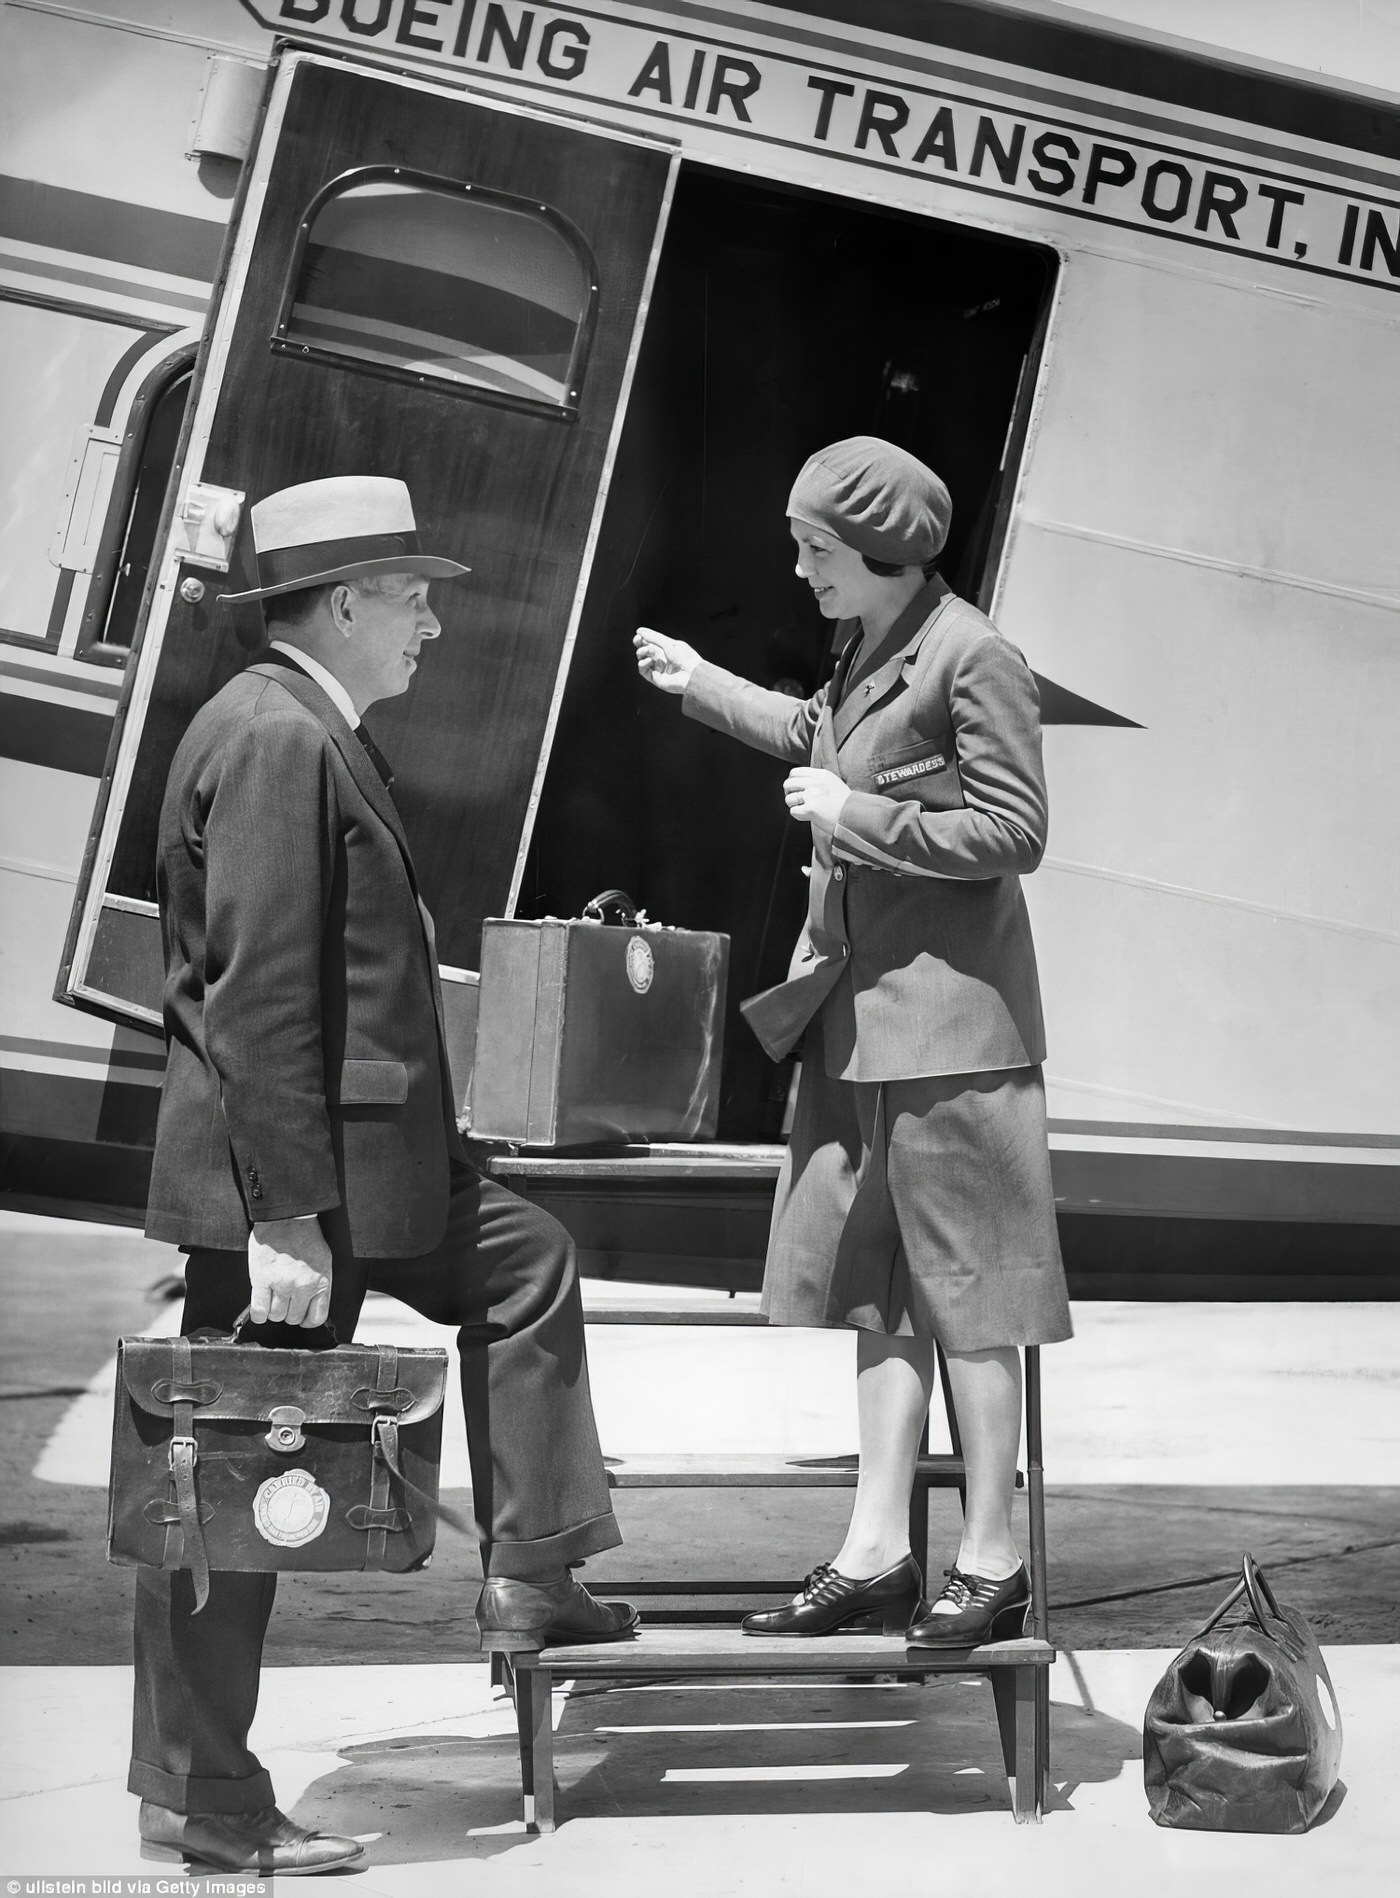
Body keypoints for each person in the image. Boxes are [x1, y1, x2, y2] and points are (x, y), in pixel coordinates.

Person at [133, 475, 635, 1876]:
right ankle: (208, 1802)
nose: (430, 620)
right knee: (234, 1491)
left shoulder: (307, 728)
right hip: (298, 1196)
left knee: (525, 1256)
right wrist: (284, 1212)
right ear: (343, 602)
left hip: (374, 1178)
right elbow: (263, 999)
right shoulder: (280, 738)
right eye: (412, 593)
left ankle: (535, 1570)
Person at [635, 436, 1072, 1649]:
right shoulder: (870, 642)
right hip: (858, 1021)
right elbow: (817, 732)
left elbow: (1014, 830)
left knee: (973, 1297)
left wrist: (857, 816)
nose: (797, 568)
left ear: (880, 550)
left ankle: (991, 1559)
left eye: (815, 549)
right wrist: (698, 681)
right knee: (877, 1292)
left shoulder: (972, 654)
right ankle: (876, 1548)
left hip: (950, 1032)